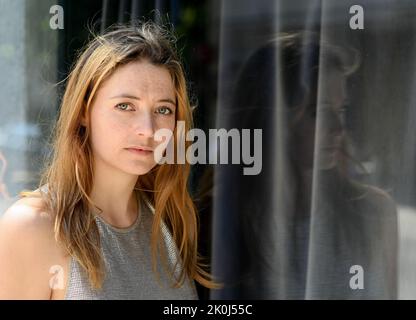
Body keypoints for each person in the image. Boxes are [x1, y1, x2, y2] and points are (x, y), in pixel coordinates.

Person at [0, 21, 217, 299]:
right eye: (125, 106)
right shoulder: (33, 228)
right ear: (83, 112)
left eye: (163, 109)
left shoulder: (169, 223)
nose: (148, 129)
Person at [212, 32, 398, 299]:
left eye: (342, 110)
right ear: (272, 119)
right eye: (318, 112)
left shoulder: (374, 213)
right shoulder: (225, 222)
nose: (338, 128)